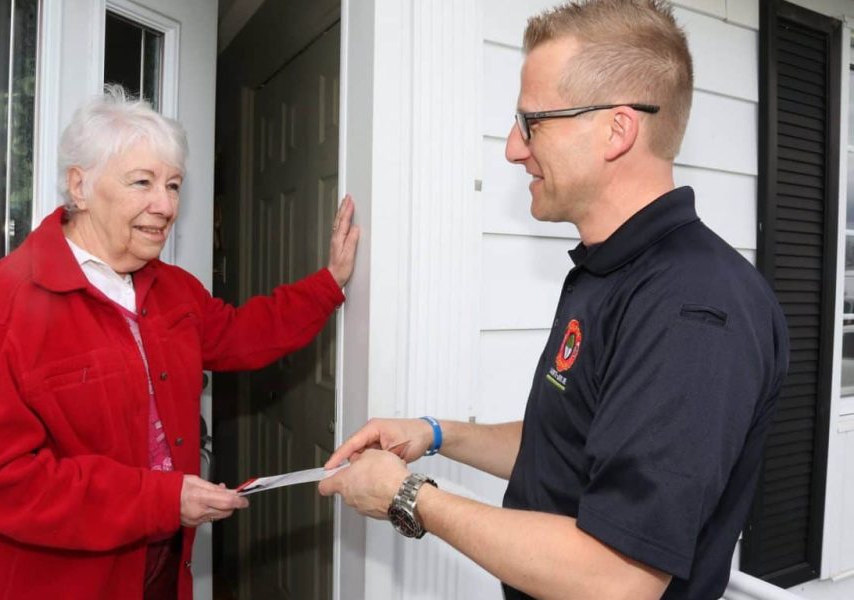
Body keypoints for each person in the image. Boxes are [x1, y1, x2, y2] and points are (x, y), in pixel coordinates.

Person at [318, 1, 788, 598]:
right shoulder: (608, 271)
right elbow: (569, 449)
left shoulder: (694, 308)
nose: (514, 148)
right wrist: (436, 434)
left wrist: (407, 497)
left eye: (531, 122)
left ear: (617, 130)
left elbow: (618, 577)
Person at [0, 85, 360, 600]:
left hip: (161, 560)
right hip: (55, 580)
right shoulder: (0, 306)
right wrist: (158, 499)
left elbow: (244, 332)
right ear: (80, 187)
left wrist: (329, 284)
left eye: (174, 185)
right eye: (143, 182)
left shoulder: (173, 288)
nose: (165, 206)